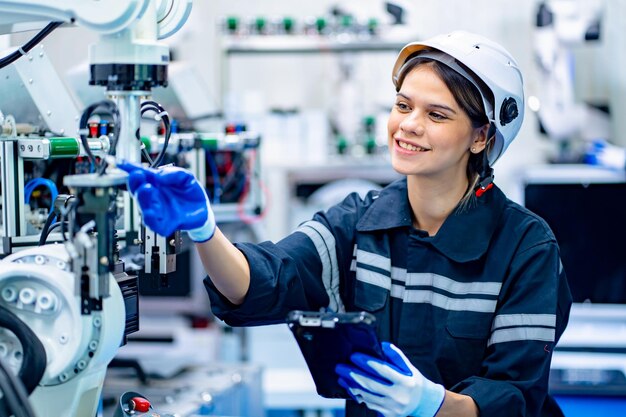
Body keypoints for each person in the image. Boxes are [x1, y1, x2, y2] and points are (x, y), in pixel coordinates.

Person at [118, 30, 572, 417]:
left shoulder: (525, 247)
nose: (408, 125)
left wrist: (431, 405)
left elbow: (517, 396)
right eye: (402, 105)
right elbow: (264, 280)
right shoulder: (359, 222)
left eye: (436, 115)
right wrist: (204, 231)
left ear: (482, 136)